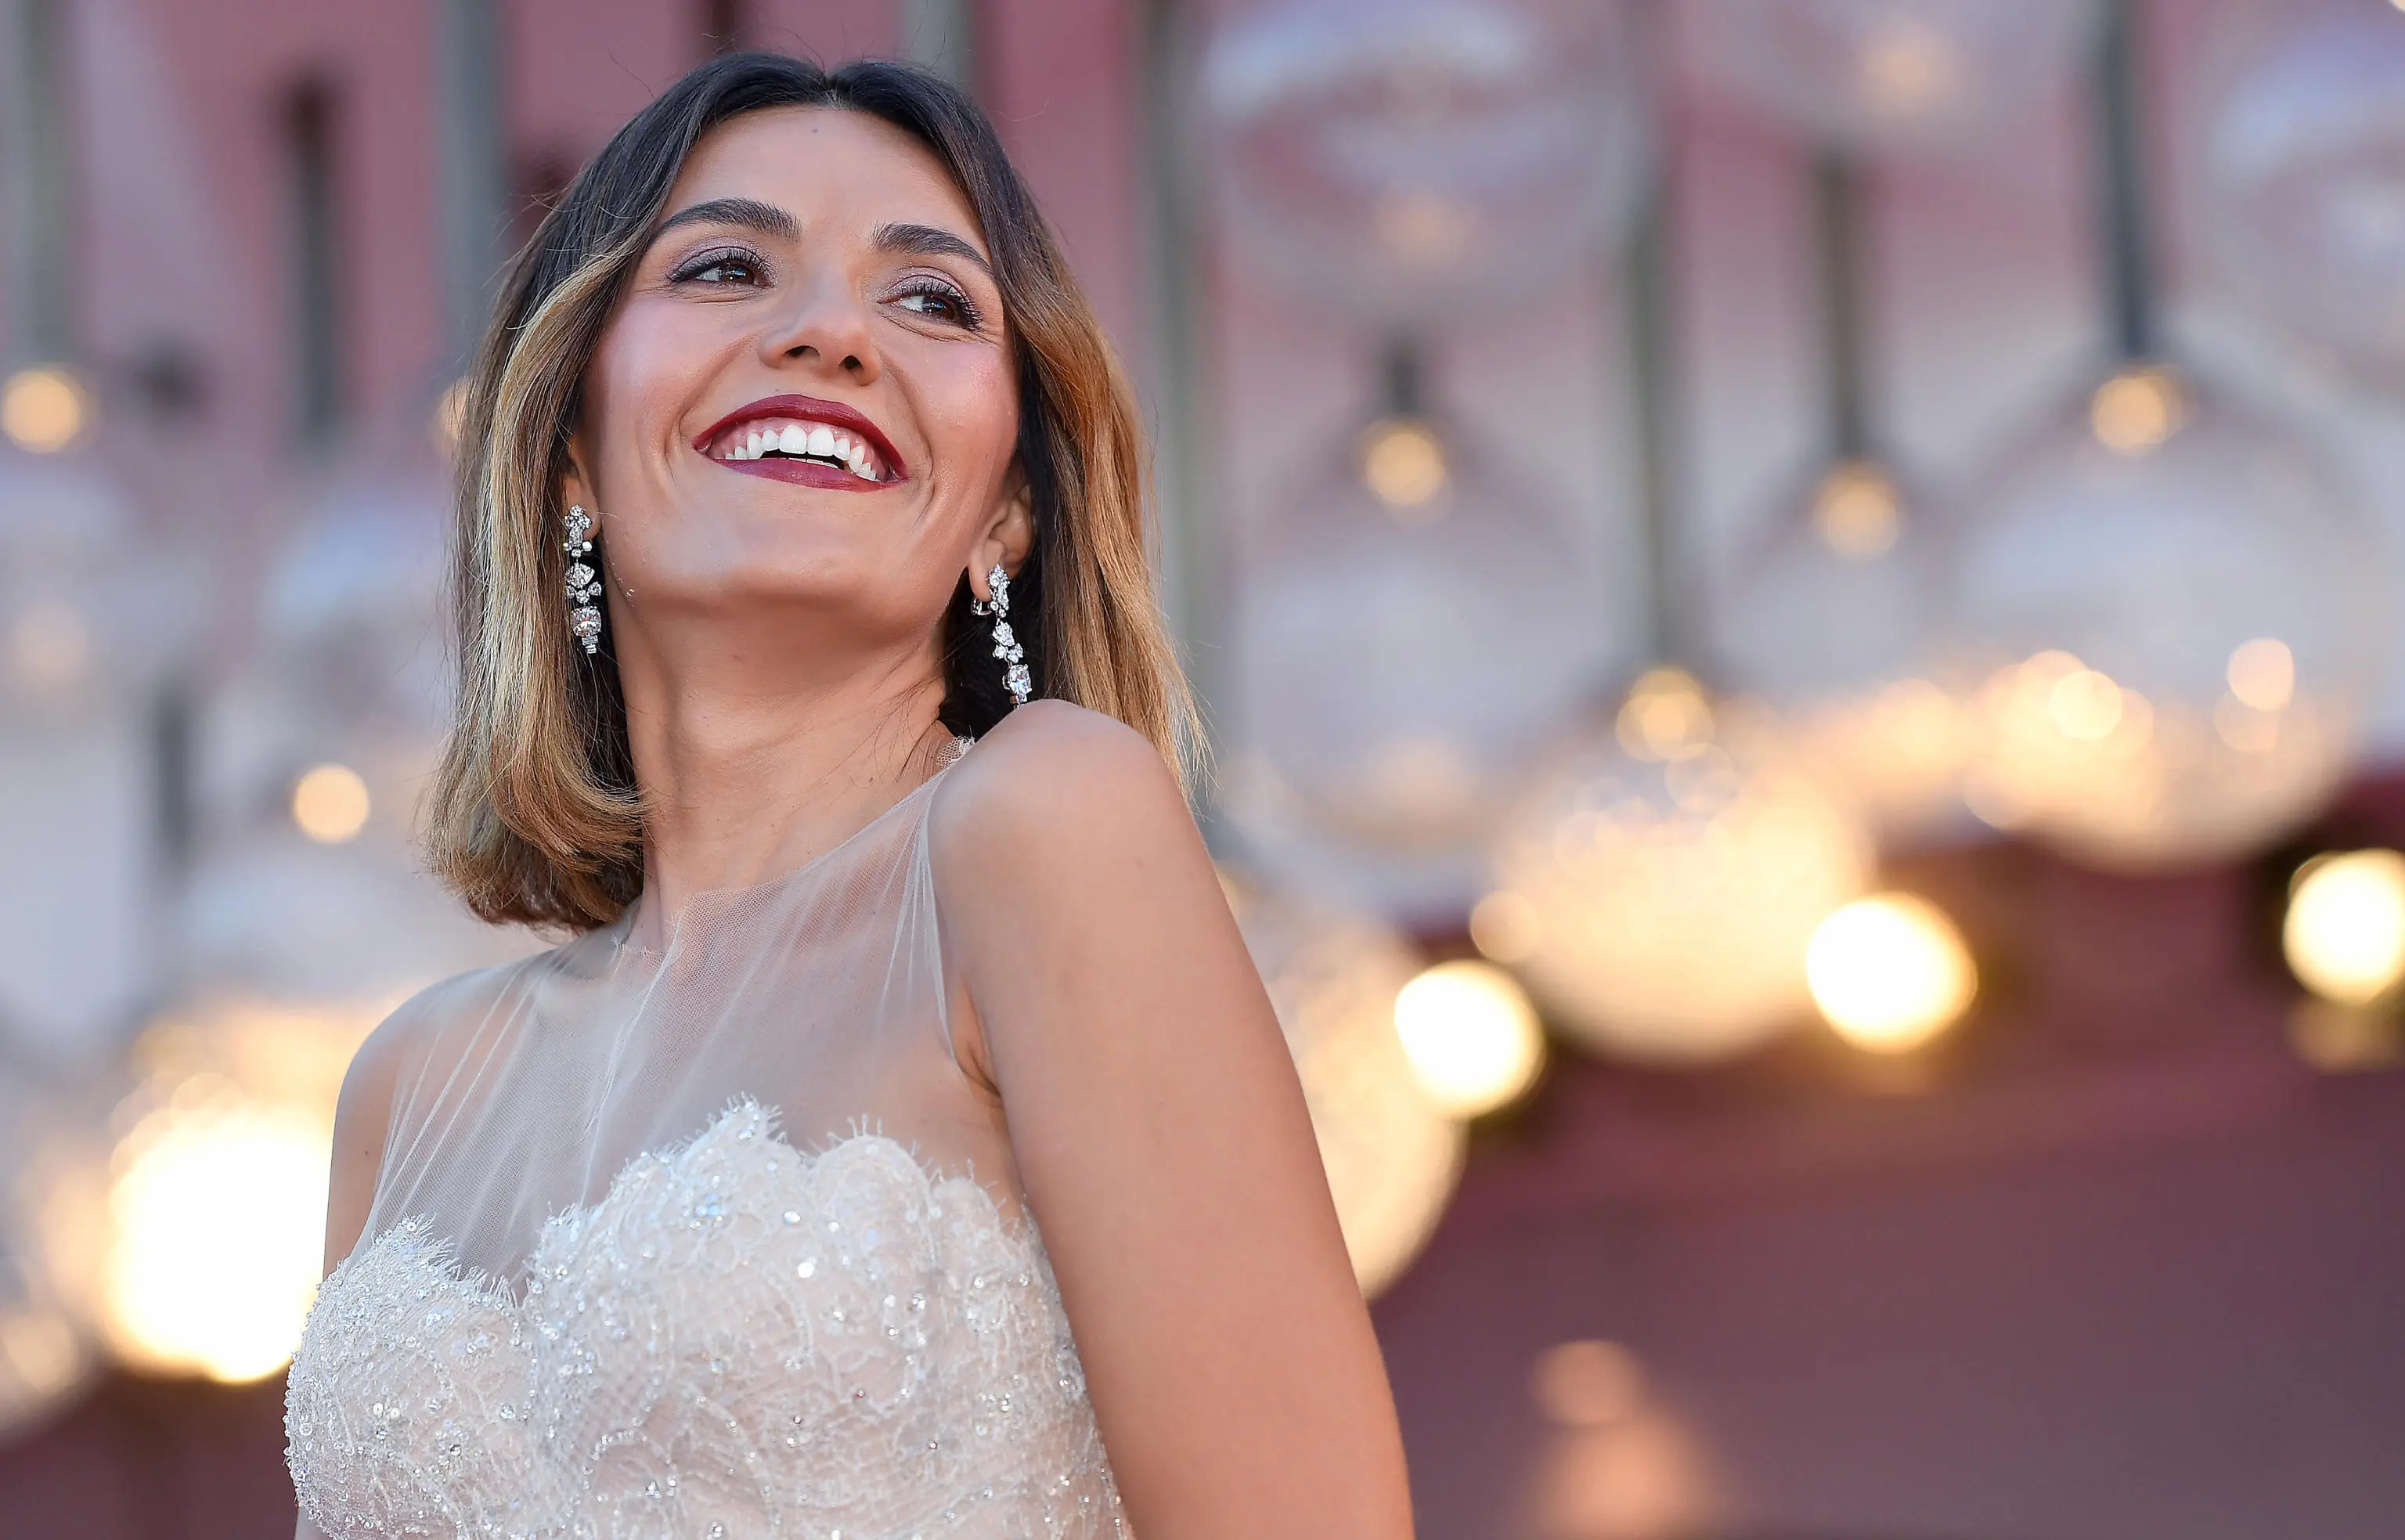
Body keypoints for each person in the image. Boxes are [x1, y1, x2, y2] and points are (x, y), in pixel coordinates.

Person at [282, 51, 1413, 1540]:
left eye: (932, 298)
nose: (827, 333)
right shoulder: (408, 1090)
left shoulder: (1042, 827)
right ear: (569, 452)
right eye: (728, 267)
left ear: (1004, 511)